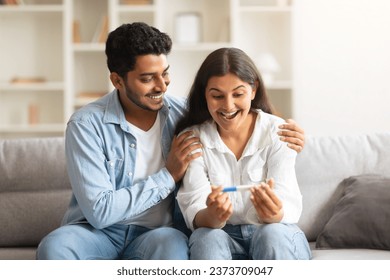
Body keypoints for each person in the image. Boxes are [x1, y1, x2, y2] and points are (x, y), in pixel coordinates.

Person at [36, 22, 305, 260]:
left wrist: (293, 134)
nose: (162, 86)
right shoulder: (86, 125)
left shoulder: (182, 114)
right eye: (147, 78)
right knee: (55, 248)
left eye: (164, 73)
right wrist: (168, 175)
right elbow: (99, 212)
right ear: (117, 80)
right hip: (97, 232)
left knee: (173, 250)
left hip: (159, 233)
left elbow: (233, 112)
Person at [176, 47, 311, 260]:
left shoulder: (279, 132)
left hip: (274, 230)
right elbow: (195, 205)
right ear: (205, 95)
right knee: (207, 238)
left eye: (238, 94)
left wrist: (273, 213)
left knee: (272, 234)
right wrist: (211, 216)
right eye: (217, 96)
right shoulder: (193, 139)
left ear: (253, 90)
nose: (228, 106)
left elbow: (288, 202)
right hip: (221, 234)